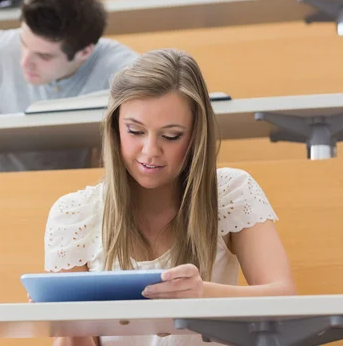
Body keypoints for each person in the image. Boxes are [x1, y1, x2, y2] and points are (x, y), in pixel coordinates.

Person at [43, 49, 296, 346]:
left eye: (171, 135)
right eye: (135, 131)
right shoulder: (74, 214)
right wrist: (69, 326)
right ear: (115, 128)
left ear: (195, 135)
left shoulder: (231, 191)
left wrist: (204, 294)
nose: (150, 150)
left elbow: (284, 299)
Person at [0, 0, 139, 172]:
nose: (24, 62)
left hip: (92, 196)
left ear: (85, 53)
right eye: (23, 43)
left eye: (43, 56)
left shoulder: (126, 73)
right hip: (15, 193)